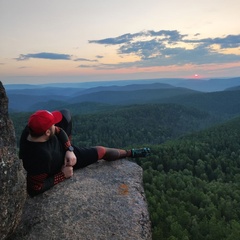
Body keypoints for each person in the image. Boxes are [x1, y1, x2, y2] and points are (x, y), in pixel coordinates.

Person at [19, 109, 151, 197]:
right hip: (59, 163)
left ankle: (71, 149)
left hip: (63, 151)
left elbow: (58, 130)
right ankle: (130, 153)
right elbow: (34, 188)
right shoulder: (40, 157)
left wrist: (69, 149)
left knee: (65, 114)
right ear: (47, 132)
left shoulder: (31, 130)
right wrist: (62, 175)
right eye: (52, 124)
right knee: (101, 151)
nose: (55, 125)